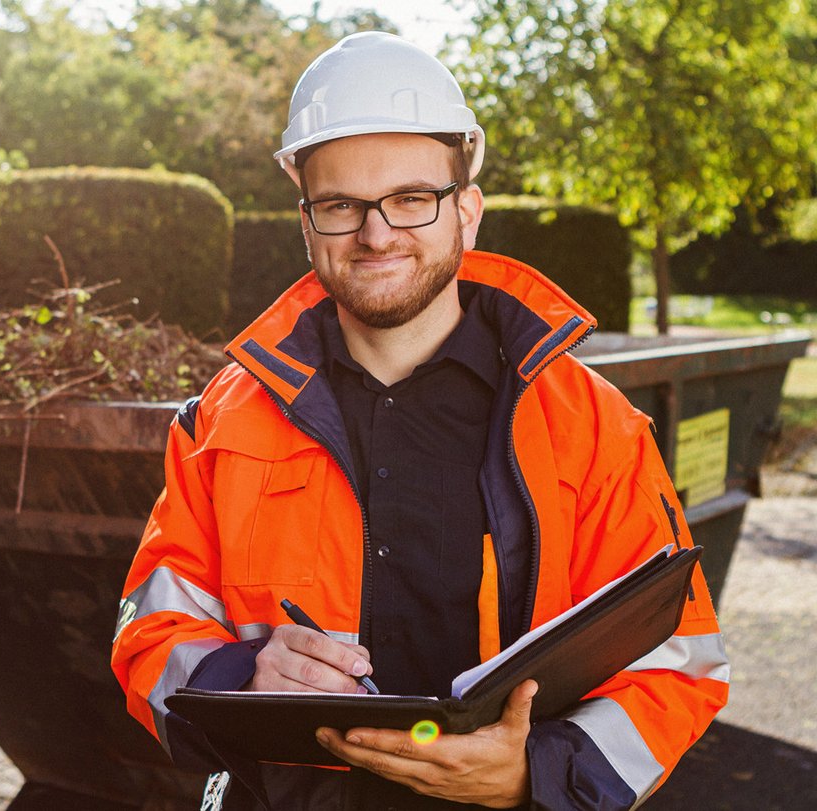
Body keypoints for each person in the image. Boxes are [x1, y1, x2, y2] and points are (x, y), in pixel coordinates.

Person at [112, 31, 729, 811]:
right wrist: (242, 679)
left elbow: (679, 657)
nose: (377, 234)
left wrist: (533, 774)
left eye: (412, 199)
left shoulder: (593, 425)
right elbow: (149, 626)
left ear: (466, 211)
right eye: (342, 205)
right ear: (307, 222)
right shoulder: (221, 422)